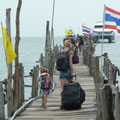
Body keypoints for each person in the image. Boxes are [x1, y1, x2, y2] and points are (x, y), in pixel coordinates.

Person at [59, 40, 75, 109]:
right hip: (68, 70)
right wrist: (72, 72)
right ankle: (69, 101)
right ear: (70, 45)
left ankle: (62, 102)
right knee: (69, 87)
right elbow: (70, 63)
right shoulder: (70, 52)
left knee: (62, 87)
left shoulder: (61, 52)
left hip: (62, 71)